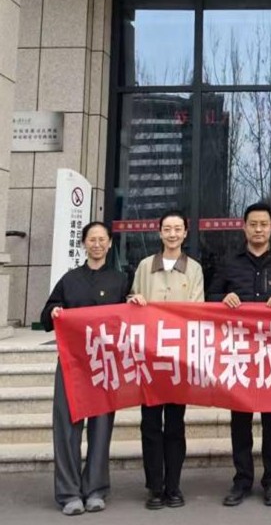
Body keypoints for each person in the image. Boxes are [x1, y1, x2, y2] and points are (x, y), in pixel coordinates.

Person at [207, 202, 271, 507]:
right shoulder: (229, 263)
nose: (258, 229)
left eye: (264, 224)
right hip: (239, 352)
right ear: (244, 227)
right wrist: (224, 298)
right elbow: (210, 297)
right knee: (240, 420)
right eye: (253, 224)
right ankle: (242, 480)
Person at [40, 221, 129, 516]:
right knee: (67, 427)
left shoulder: (120, 280)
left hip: (104, 364)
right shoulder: (69, 279)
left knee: (101, 428)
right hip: (72, 363)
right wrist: (54, 311)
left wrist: (135, 302)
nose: (97, 244)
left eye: (102, 239)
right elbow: (46, 314)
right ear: (84, 243)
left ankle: (95, 490)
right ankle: (68, 493)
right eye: (92, 239)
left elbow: (129, 317)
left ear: (110, 243)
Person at [127, 211, 204, 510]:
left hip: (178, 358)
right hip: (149, 356)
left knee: (174, 425)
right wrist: (134, 300)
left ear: (185, 233)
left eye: (177, 229)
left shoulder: (194, 269)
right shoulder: (145, 266)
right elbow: (132, 300)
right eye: (167, 229)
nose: (172, 234)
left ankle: (173, 486)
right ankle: (154, 487)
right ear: (159, 233)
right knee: (149, 424)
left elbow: (197, 309)